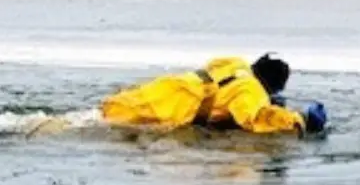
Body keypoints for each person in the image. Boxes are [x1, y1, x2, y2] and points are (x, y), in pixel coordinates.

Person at [98, 53, 325, 136]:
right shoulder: (251, 91)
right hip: (172, 112)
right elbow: (255, 119)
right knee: (109, 125)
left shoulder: (235, 64)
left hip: (168, 88)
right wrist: (300, 120)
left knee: (104, 114)